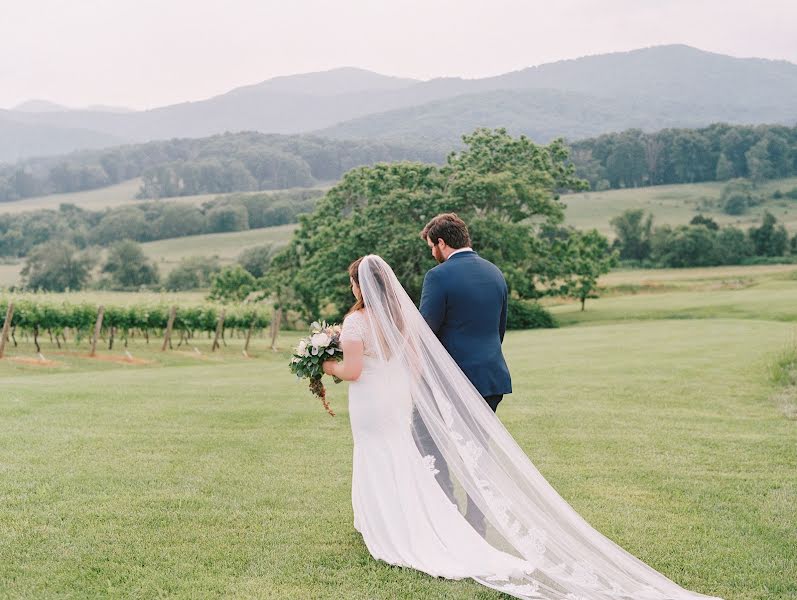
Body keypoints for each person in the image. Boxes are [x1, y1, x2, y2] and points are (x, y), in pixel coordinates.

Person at [322, 254, 723, 600]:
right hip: (401, 399)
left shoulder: (356, 321)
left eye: (352, 280)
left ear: (360, 284)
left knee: (381, 456)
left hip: (371, 404)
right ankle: (430, 521)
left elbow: (353, 369)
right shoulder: (400, 316)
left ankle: (388, 526)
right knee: (409, 457)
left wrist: (324, 363)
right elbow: (416, 361)